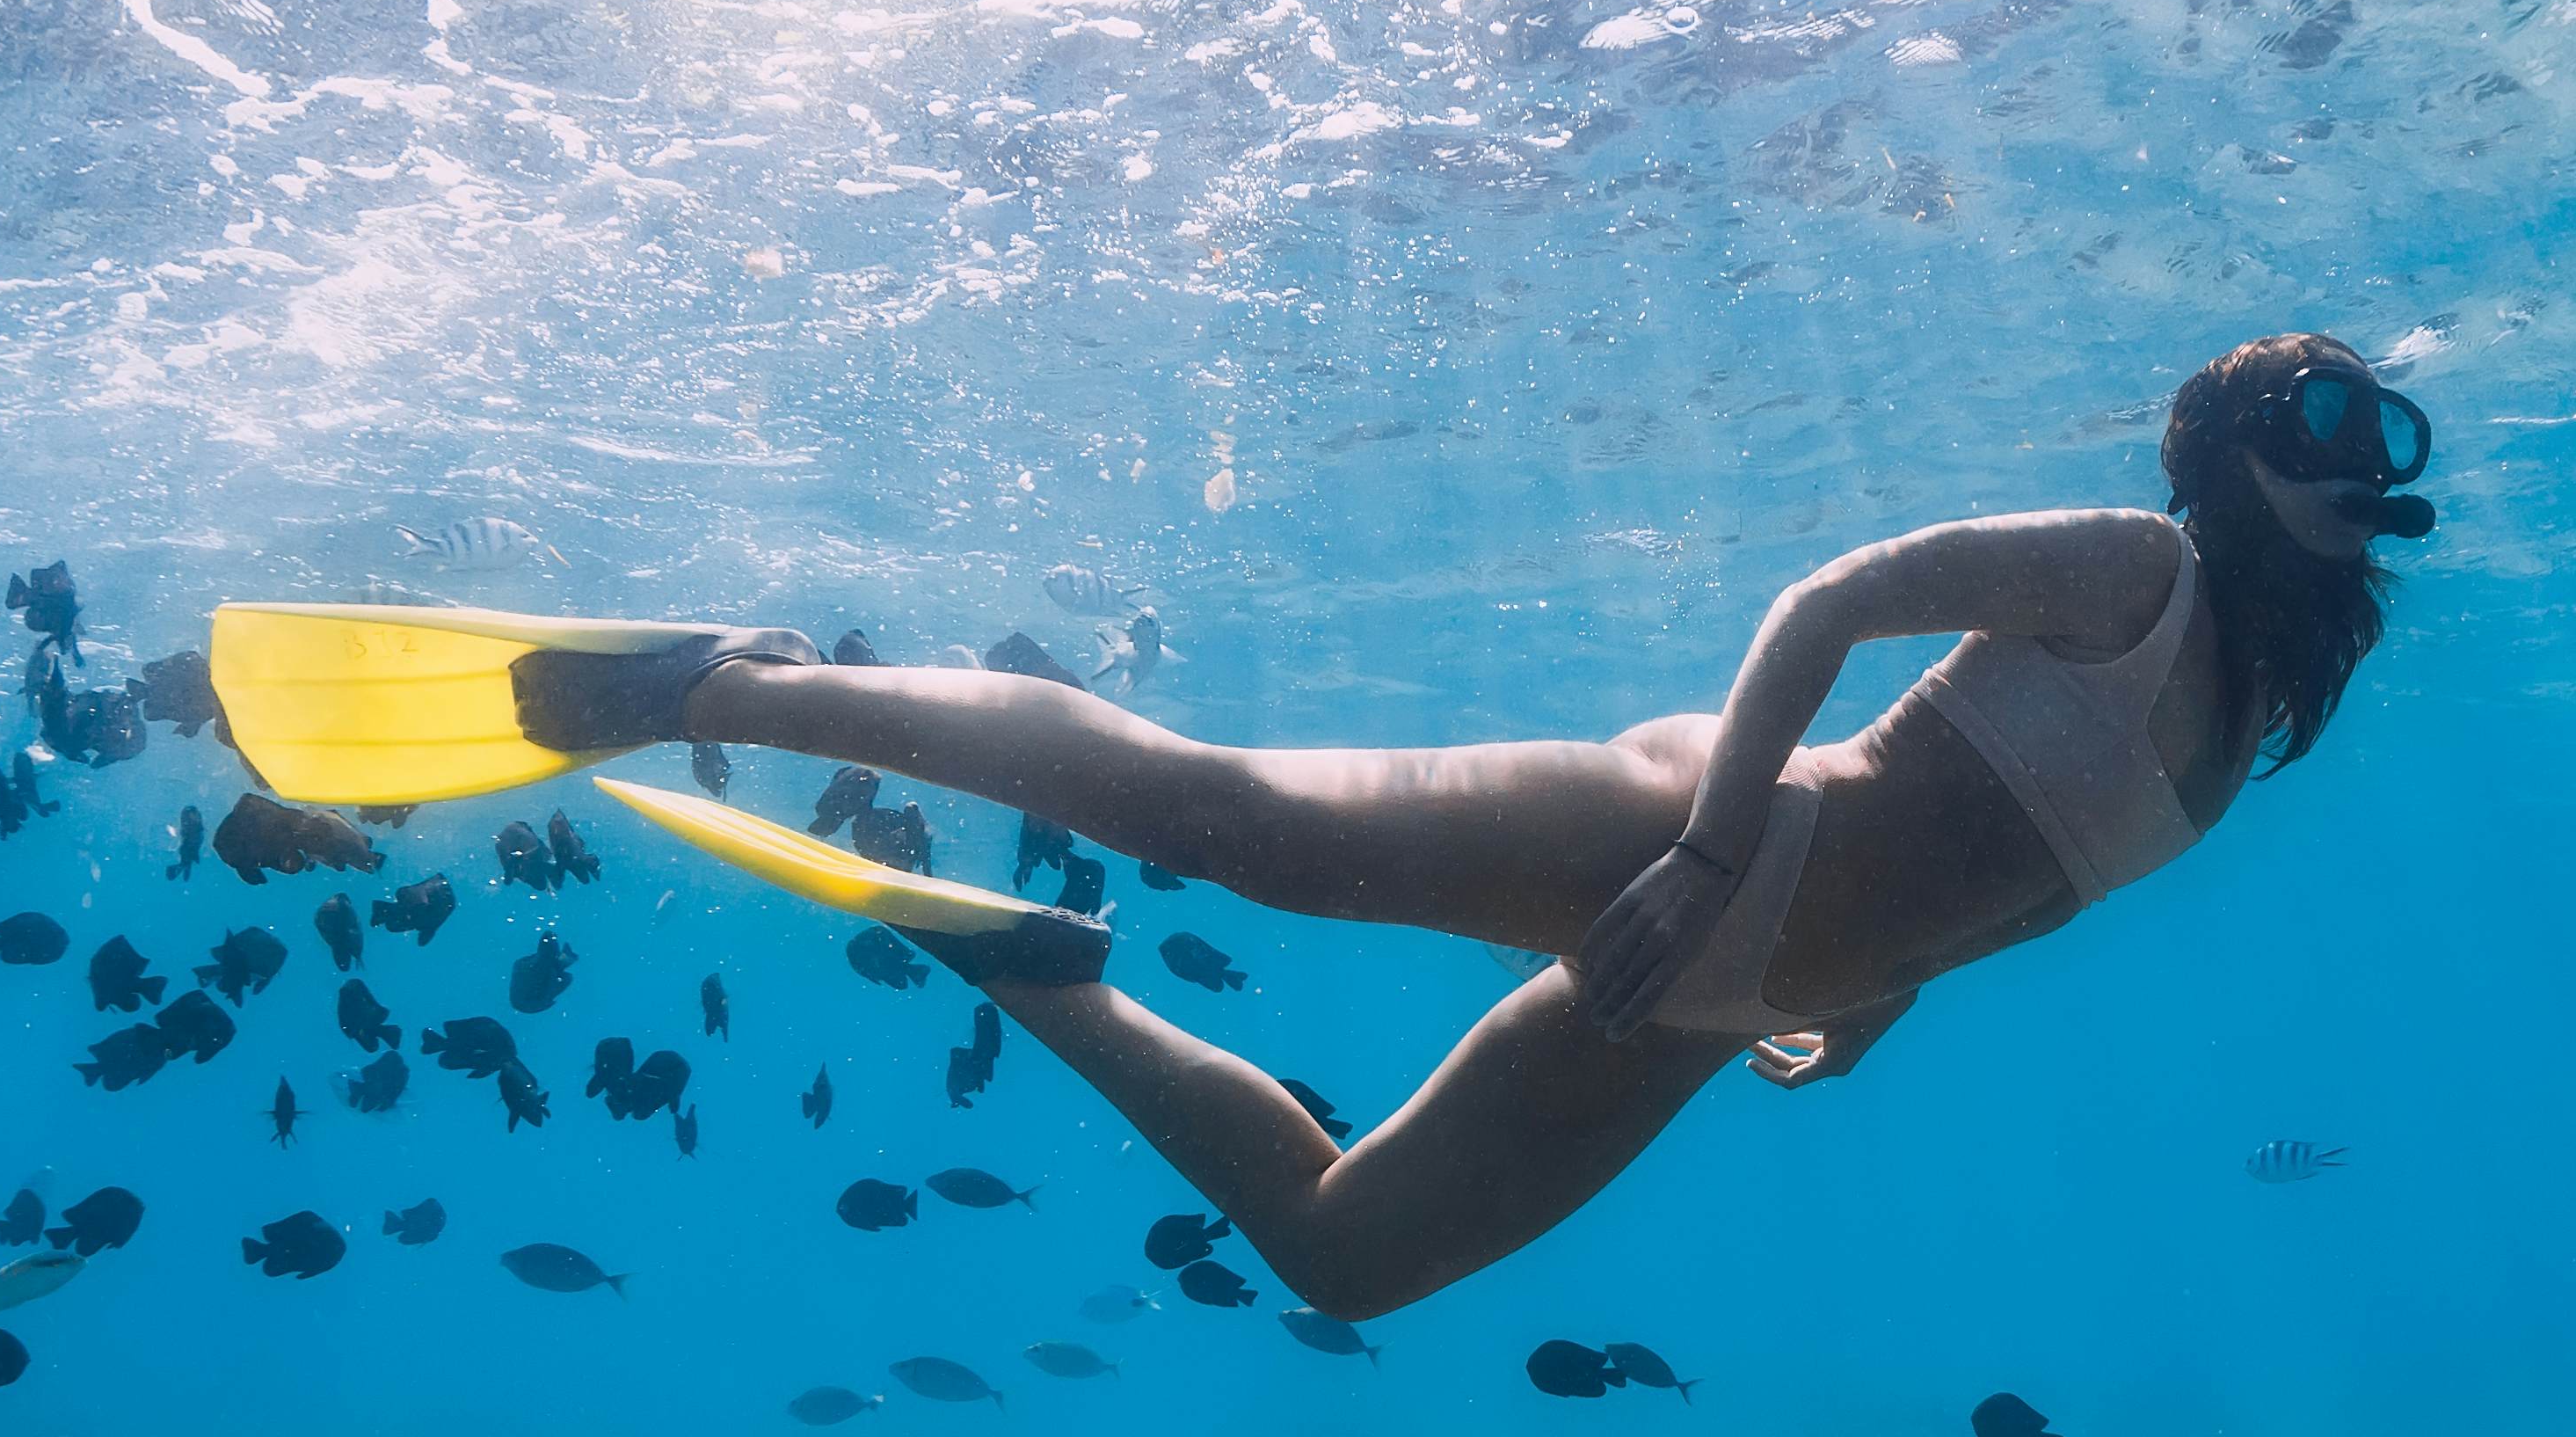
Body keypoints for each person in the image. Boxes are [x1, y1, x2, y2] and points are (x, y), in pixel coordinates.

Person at [215, 330, 2427, 1313]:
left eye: (2376, 422)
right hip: (1697, 847)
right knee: (1227, 817)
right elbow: (1833, 606)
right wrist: (1707, 847)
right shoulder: (2132, 575)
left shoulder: (2251, 716)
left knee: (1349, 1259)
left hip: (1726, 982)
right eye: (2322, 415)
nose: (2364, 449)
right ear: (2228, 456)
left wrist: (1882, 998)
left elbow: (2007, 859)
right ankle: (727, 679)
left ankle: (1030, 969)